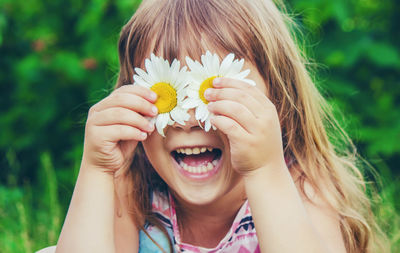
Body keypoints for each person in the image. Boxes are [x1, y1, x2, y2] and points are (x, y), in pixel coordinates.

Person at [47, 0, 388, 252]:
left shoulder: (300, 187)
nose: (191, 117)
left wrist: (265, 172)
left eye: (213, 90)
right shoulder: (133, 189)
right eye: (168, 94)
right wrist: (97, 170)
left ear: (278, 104)